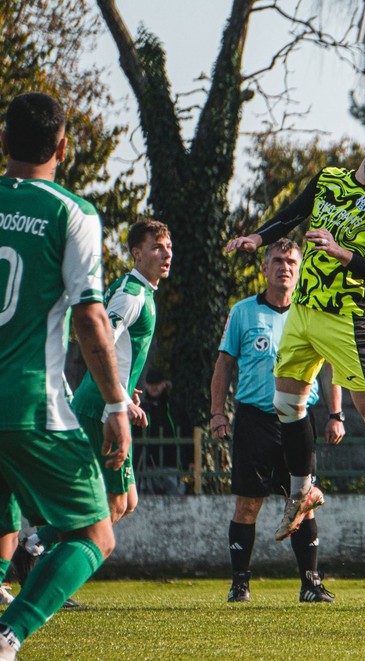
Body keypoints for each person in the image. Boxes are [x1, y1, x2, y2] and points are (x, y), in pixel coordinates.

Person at [224, 125, 365, 555]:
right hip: (303, 312)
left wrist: (338, 251)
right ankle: (303, 490)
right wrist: (257, 237)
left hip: (346, 318)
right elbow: (292, 214)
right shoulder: (329, 179)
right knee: (287, 403)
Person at [0, 91, 131, 658]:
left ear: (4, 142)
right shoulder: (70, 213)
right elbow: (89, 316)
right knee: (94, 533)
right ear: (62, 146)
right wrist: (116, 404)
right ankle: (9, 636)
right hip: (29, 403)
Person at [18, 219, 169, 577]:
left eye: (168, 248)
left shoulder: (140, 290)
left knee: (126, 501)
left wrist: (127, 390)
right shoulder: (133, 293)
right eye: (156, 247)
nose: (166, 254)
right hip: (100, 406)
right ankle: (38, 553)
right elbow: (100, 338)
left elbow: (118, 349)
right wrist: (119, 399)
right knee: (113, 505)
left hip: (106, 400)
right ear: (136, 254)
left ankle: (36, 544)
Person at [210, 238, 341, 603]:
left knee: (301, 501)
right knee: (248, 504)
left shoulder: (312, 313)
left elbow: (331, 367)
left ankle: (311, 584)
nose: (285, 267)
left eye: (292, 262)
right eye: (278, 261)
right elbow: (224, 364)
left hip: (298, 420)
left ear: (300, 272)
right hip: (255, 418)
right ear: (265, 268)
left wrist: (335, 414)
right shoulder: (242, 312)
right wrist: (217, 412)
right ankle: (240, 584)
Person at [133, 368, 194, 495]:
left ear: (164, 384)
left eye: (157, 384)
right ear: (145, 385)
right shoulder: (141, 409)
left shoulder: (176, 407)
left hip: (174, 466)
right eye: (151, 384)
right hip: (146, 467)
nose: (154, 387)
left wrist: (191, 460)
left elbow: (187, 433)